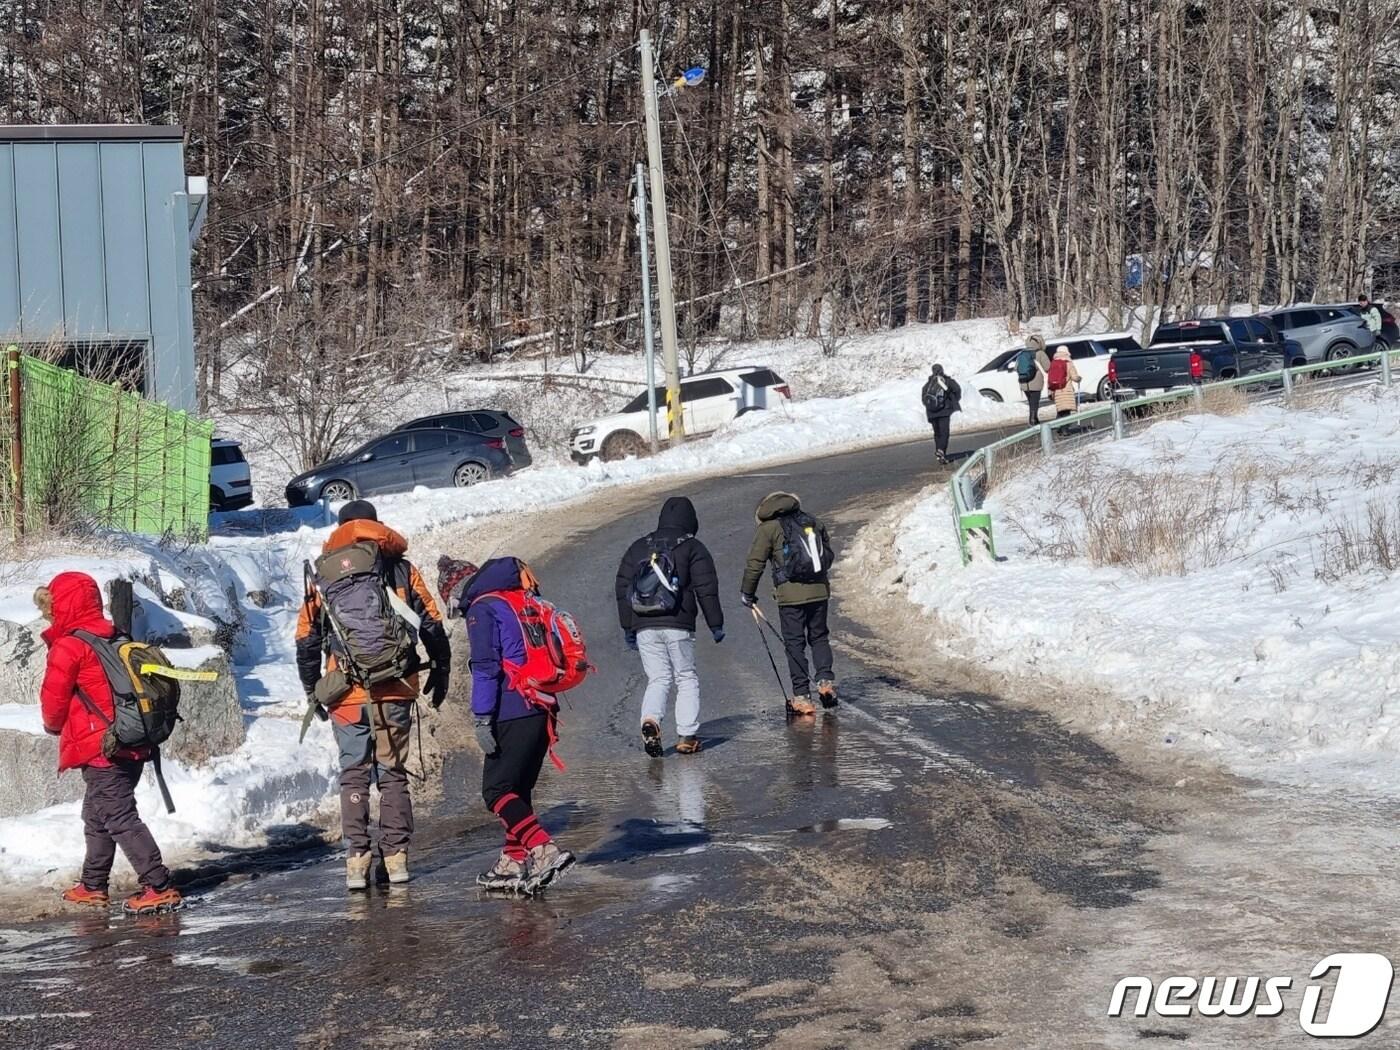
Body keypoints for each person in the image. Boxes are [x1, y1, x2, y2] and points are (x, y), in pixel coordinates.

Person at [295, 499, 451, 890]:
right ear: (376, 527)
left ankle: (356, 862)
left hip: (346, 692)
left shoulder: (324, 574)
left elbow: (306, 640)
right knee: (392, 773)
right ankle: (395, 859)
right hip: (396, 687)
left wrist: (313, 689)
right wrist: (440, 669)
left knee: (354, 774)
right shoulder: (399, 567)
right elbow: (431, 621)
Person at [39, 572, 182, 915]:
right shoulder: (115, 636)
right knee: (97, 814)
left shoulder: (71, 645)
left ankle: (158, 885)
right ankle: (93, 884)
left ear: (63, 605)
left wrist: (52, 726)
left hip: (102, 746)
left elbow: (54, 700)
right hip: (131, 741)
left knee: (118, 816)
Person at [461, 557, 576, 894]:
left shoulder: (483, 609)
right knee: (517, 789)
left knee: (496, 790)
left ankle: (543, 850)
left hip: (512, 709)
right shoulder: (522, 601)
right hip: (543, 706)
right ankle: (512, 861)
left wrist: (482, 717)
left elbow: (486, 668)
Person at [615, 496, 724, 757]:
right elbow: (706, 589)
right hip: (678, 622)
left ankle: (650, 720)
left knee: (658, 678)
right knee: (685, 676)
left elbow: (622, 588)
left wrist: (628, 627)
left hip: (644, 625)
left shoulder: (639, 547)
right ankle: (687, 735)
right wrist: (715, 624)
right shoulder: (692, 547)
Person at [740, 492, 836, 716]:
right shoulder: (813, 521)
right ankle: (826, 682)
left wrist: (747, 593)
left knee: (794, 643)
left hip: (790, 597)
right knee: (819, 637)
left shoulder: (769, 529)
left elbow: (755, 563)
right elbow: (828, 556)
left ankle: (802, 697)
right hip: (820, 592)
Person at [920, 364, 962, 464]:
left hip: (931, 412)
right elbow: (957, 390)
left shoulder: (928, 384)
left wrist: (931, 407)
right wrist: (952, 400)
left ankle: (940, 453)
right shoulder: (947, 381)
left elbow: (923, 398)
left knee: (937, 433)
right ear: (942, 370)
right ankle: (941, 451)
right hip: (944, 411)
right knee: (944, 433)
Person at [1017, 334, 1051, 426]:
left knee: (1031, 402)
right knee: (1034, 402)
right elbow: (1047, 367)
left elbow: (1016, 367)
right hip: (1035, 383)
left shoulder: (1022, 353)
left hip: (1024, 383)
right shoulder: (1040, 353)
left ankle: (1034, 419)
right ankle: (1032, 420)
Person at [1048, 345, 1081, 419]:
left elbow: (1050, 379)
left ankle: (1058, 427)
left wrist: (1050, 392)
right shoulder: (1068, 363)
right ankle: (1063, 429)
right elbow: (1074, 377)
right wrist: (1079, 379)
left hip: (1056, 391)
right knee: (1066, 413)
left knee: (1060, 411)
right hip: (1066, 391)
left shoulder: (1053, 363)